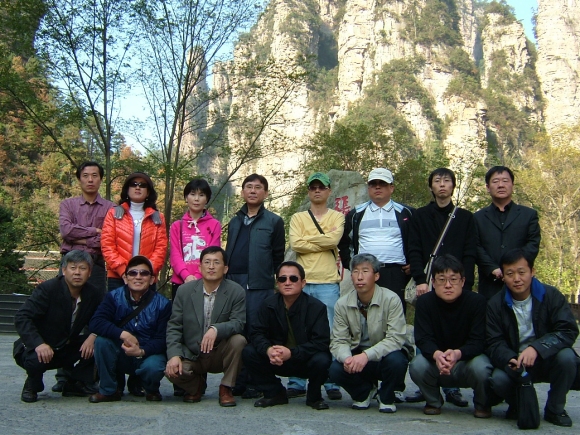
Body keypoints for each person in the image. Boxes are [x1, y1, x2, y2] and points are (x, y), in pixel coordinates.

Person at [406, 168, 476, 406]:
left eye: (447, 180)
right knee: (426, 329)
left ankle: (452, 386)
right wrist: (420, 280)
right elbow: (414, 249)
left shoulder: (465, 217)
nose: (442, 184)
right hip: (429, 281)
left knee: (455, 329)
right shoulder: (420, 216)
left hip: (456, 283)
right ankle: (426, 385)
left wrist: (466, 284)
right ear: (431, 187)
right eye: (437, 181)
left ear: (453, 186)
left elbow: (470, 252)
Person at [486, 249, 579, 427]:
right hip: (516, 361)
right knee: (498, 379)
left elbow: (567, 330)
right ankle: (519, 405)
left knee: (567, 357)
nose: (517, 279)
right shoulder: (495, 304)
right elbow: (493, 342)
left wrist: (537, 348)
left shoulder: (551, 296)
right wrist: (509, 358)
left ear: (532, 272)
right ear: (503, 277)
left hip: (547, 357)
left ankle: (555, 409)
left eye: (522, 272)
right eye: (510, 274)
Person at [14, 251, 104, 402]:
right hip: (41, 346)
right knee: (35, 359)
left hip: (67, 346)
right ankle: (32, 384)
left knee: (102, 344)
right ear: (64, 270)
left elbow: (102, 318)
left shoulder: (93, 293)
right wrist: (38, 344)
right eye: (73, 268)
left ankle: (75, 383)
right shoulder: (48, 289)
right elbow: (22, 317)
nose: (77, 273)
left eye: (82, 268)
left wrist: (93, 336)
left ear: (89, 273)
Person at [409, 254, 493, 418]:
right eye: (442, 280)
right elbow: (422, 338)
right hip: (437, 362)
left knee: (482, 367)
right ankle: (433, 401)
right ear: (433, 282)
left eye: (453, 279)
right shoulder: (425, 302)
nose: (448, 285)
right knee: (417, 365)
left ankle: (482, 404)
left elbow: (479, 341)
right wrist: (437, 355)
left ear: (462, 281)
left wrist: (457, 354)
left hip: (466, 361)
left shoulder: (477, 302)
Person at [55, 161, 113, 393]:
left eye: (94, 175)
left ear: (100, 179)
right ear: (79, 179)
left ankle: (86, 375)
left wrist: (79, 237)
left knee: (95, 315)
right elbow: (66, 231)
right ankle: (63, 374)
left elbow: (107, 239)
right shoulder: (68, 204)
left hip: (96, 266)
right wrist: (94, 232)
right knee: (63, 315)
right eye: (86, 175)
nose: (90, 179)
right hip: (69, 264)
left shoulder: (110, 208)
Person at [225, 173, 285, 398]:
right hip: (233, 282)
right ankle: (238, 381)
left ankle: (256, 381)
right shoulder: (235, 221)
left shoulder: (274, 221)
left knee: (256, 331)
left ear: (265, 193)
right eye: (248, 187)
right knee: (237, 331)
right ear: (242, 192)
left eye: (258, 187)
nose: (252, 191)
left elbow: (278, 256)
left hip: (260, 284)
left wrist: (279, 282)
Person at [242, 261, 332, 409]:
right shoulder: (267, 304)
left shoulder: (316, 307)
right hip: (276, 359)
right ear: (277, 283)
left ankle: (314, 397)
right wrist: (268, 350)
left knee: (322, 359)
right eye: (282, 279)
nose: (288, 282)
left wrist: (291, 353)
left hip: (304, 359)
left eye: (293, 278)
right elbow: (256, 333)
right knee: (249, 352)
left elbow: (321, 342)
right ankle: (274, 393)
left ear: (303, 283)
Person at [286, 172, 344, 400]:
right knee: (297, 330)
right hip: (301, 282)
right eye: (313, 187)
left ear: (329, 191)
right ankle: (297, 380)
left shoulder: (337, 216)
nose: (317, 190)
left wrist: (308, 240)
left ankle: (330, 379)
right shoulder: (298, 217)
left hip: (328, 282)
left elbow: (334, 240)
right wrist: (322, 240)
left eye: (321, 187)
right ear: (308, 191)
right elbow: (296, 244)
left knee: (329, 331)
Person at [165, 247, 246, 407]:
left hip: (219, 352)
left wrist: (216, 329)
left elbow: (238, 323)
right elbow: (174, 326)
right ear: (200, 267)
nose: (211, 267)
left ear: (225, 268)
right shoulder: (184, 291)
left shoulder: (236, 291)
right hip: (192, 353)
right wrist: (174, 355)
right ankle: (196, 386)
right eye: (207, 262)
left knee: (239, 341)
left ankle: (226, 388)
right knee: (171, 370)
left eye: (216, 262)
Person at [329, 254, 409, 413]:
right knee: (335, 369)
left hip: (384, 356)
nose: (360, 277)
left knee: (398, 361)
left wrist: (366, 356)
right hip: (357, 356)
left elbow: (395, 339)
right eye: (355, 271)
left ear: (376, 276)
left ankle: (386, 396)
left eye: (365, 271)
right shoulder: (342, 304)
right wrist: (347, 358)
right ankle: (363, 393)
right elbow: (338, 340)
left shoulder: (391, 299)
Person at [88, 256, 172, 403]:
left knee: (154, 366)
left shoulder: (163, 304)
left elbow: (163, 339)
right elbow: (96, 322)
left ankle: (150, 388)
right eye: (133, 273)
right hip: (122, 351)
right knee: (101, 342)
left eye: (144, 273)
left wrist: (141, 351)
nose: (138, 277)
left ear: (152, 279)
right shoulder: (113, 297)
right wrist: (123, 334)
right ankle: (108, 390)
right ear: (125, 278)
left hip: (148, 353)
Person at [338, 168, 413, 314]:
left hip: (396, 272)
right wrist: (350, 263)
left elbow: (416, 241)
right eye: (373, 184)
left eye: (382, 183)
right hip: (366, 272)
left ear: (391, 188)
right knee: (366, 314)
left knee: (395, 313)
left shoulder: (406, 212)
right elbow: (344, 241)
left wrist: (413, 264)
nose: (378, 187)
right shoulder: (356, 214)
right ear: (368, 188)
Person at [474, 166, 541, 300]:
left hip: (520, 282)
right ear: (488, 187)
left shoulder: (528, 215)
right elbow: (475, 246)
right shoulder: (477, 218)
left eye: (505, 181)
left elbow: (533, 244)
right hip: (490, 284)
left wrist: (514, 269)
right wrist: (493, 269)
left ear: (512, 185)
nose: (501, 185)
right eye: (495, 181)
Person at [101, 172, 167, 292]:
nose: (137, 187)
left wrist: (147, 271)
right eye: (133, 184)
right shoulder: (113, 214)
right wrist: (123, 271)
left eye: (142, 185)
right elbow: (107, 245)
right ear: (127, 189)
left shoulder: (158, 217)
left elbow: (161, 248)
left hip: (146, 277)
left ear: (148, 192)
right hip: (118, 276)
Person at [169, 178, 221, 300]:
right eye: (192, 194)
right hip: (180, 282)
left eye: (201, 195)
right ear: (186, 198)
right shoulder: (177, 226)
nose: (196, 199)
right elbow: (175, 255)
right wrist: (186, 276)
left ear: (207, 199)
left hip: (206, 282)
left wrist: (197, 276)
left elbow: (213, 254)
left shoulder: (214, 225)